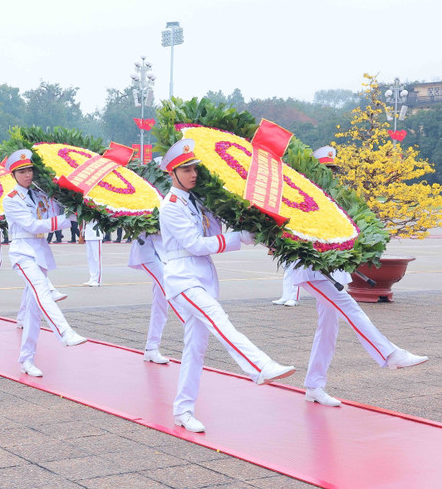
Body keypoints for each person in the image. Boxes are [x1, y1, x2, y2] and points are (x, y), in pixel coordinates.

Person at [159, 138, 295, 433]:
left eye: (194, 167)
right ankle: (259, 366)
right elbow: (195, 244)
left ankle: (183, 410)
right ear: (172, 173)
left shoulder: (200, 199)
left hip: (204, 275)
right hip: (183, 278)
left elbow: (220, 228)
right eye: (185, 169)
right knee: (218, 318)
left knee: (196, 348)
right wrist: (239, 239)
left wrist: (255, 229)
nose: (192, 173)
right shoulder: (171, 206)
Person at [289, 145, 428, 407]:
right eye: (325, 169)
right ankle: (390, 354)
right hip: (312, 272)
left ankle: (314, 386)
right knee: (351, 309)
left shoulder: (333, 200)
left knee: (328, 329)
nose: (330, 174)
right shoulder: (303, 198)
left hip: (332, 273)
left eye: (332, 170)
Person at [2, 149, 87, 378]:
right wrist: (65, 220)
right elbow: (31, 225)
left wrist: (69, 200)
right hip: (22, 251)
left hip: (40, 252)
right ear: (14, 174)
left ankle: (26, 360)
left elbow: (53, 210)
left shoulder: (39, 194)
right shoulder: (10, 199)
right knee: (42, 290)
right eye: (22, 171)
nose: (27, 174)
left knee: (32, 312)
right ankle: (64, 332)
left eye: (30, 170)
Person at [129, 232, 186, 364]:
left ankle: (151, 348)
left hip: (163, 251)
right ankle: (190, 327)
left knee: (160, 302)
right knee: (170, 288)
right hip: (146, 252)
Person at [82, 220, 102, 287]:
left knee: (96, 258)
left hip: (96, 232)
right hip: (88, 231)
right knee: (90, 257)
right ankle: (92, 278)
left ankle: (97, 280)